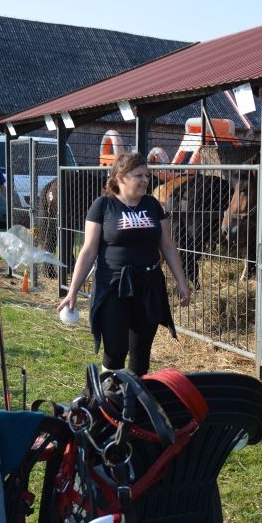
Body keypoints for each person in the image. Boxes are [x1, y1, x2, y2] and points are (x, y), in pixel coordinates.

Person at [57, 152, 191, 375]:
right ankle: (109, 401)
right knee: (115, 351)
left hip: (148, 285)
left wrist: (182, 282)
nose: (145, 180)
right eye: (139, 175)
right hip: (113, 285)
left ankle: (135, 404)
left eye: (146, 175)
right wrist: (73, 291)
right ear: (120, 178)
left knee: (141, 354)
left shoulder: (152, 205)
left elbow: (167, 246)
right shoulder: (103, 206)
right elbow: (88, 250)